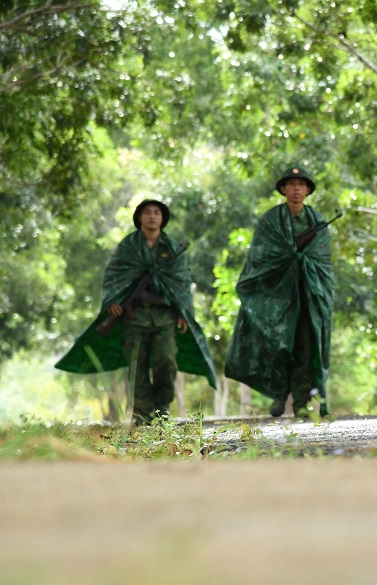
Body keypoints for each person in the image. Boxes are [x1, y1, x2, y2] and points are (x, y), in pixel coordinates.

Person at [55, 198, 216, 423]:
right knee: (136, 366)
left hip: (165, 316)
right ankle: (142, 415)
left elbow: (181, 281)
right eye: (147, 212)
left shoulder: (172, 248)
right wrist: (113, 300)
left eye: (157, 212)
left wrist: (183, 312)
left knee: (167, 361)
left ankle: (161, 410)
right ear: (139, 218)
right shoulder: (128, 246)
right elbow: (113, 274)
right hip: (134, 315)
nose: (152, 216)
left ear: (162, 218)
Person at [225, 166, 335, 420]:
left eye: (301, 184)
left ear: (307, 190)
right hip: (276, 297)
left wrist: (301, 261)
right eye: (291, 184)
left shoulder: (317, 221)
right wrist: (287, 256)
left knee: (306, 348)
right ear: (283, 189)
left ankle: (301, 403)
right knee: (277, 346)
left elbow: (322, 261)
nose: (296, 189)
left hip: (308, 295)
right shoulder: (270, 220)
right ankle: (278, 392)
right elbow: (260, 257)